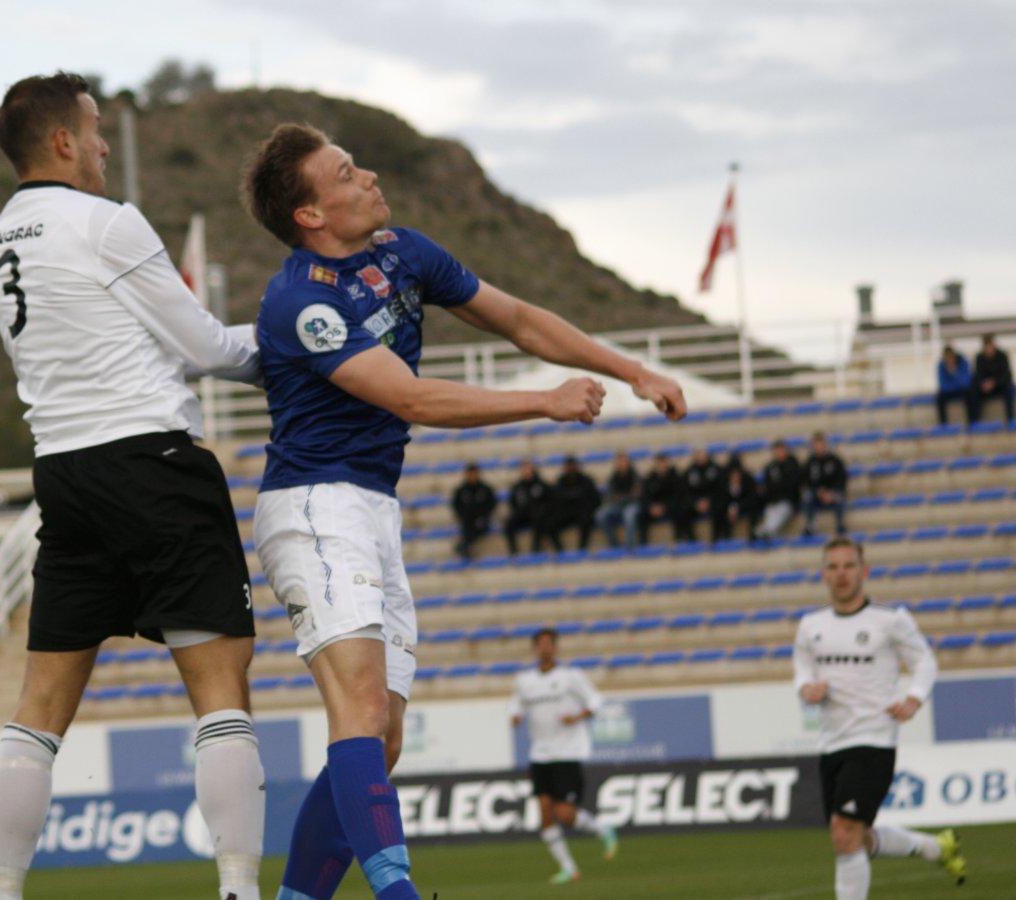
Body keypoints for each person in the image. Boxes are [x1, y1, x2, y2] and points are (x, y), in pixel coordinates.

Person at [242, 122, 685, 900]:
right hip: (314, 506)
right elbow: (411, 398)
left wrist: (631, 370)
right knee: (362, 709)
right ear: (310, 215)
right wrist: (543, 401)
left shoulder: (402, 252)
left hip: (373, 508)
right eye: (345, 174)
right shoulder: (300, 301)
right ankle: (399, 893)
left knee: (382, 739)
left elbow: (517, 319)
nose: (369, 176)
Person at [0, 72, 266, 900]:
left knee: (39, 707)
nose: (104, 145)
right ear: (63, 140)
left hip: (63, 475)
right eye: (96, 128)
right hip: (151, 462)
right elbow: (206, 348)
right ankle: (239, 889)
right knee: (220, 685)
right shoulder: (106, 222)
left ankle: (2, 893)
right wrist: (303, 352)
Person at [792, 536, 968, 899]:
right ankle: (933, 848)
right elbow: (802, 671)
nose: (841, 574)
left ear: (865, 571)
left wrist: (914, 698)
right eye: (833, 567)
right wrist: (806, 688)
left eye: (849, 566)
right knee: (855, 837)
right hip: (831, 742)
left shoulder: (890, 620)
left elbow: (925, 661)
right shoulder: (810, 625)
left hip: (874, 740)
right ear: (823, 574)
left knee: (844, 831)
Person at [508, 628, 619, 885]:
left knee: (565, 814)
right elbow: (515, 705)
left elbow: (595, 700)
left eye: (549, 644)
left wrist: (578, 716)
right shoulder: (525, 681)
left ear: (555, 648)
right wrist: (515, 716)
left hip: (567, 752)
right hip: (540, 754)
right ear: (535, 649)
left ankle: (602, 828)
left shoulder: (571, 677)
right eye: (541, 644)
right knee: (545, 814)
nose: (545, 648)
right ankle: (569, 868)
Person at [546, 455, 601, 551]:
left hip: (582, 512)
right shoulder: (560, 482)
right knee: (549, 523)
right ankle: (560, 551)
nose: (571, 468)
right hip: (566, 513)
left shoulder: (586, 481)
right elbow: (555, 501)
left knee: (586, 521)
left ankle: (582, 549)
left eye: (573, 466)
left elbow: (595, 499)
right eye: (569, 466)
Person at [802, 432, 848, 537]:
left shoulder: (835, 460)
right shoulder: (810, 462)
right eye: (816, 445)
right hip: (816, 493)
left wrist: (831, 493)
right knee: (807, 497)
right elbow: (806, 481)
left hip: (833, 492)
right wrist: (818, 491)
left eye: (820, 444)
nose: (818, 447)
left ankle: (840, 525)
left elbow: (842, 479)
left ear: (825, 445)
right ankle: (810, 525)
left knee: (840, 497)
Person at [639, 452, 691, 544]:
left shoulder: (675, 476)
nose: (661, 466)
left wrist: (664, 506)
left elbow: (678, 496)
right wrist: (651, 507)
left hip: (670, 506)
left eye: (663, 463)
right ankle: (643, 543)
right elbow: (645, 496)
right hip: (655, 508)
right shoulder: (651, 477)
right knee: (641, 514)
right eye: (659, 463)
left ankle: (679, 539)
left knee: (681, 511)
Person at [756, 439, 802, 542]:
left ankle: (767, 530)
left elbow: (793, 485)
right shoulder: (770, 467)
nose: (779, 453)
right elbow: (768, 487)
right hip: (773, 501)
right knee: (770, 511)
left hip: (788, 501)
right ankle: (767, 530)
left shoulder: (792, 464)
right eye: (776, 450)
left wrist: (778, 486)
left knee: (782, 510)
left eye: (781, 450)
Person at [504, 459, 553, 555]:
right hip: (522, 513)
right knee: (509, 523)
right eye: (524, 469)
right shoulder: (518, 486)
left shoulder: (541, 485)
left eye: (528, 469)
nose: (526, 472)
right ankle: (514, 551)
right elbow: (512, 502)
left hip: (537, 514)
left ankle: (536, 549)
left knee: (540, 521)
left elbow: (549, 500)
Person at [451, 462, 498, 561]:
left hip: (482, 519)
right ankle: (465, 546)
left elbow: (492, 504)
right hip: (467, 521)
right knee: (467, 526)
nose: (473, 476)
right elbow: (456, 505)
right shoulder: (461, 490)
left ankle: (464, 545)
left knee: (479, 525)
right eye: (471, 474)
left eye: (474, 473)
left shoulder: (485, 489)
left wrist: (484, 514)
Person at [595, 449, 641, 550]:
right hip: (618, 505)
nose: (621, 464)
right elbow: (610, 495)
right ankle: (614, 546)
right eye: (619, 462)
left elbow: (635, 495)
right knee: (601, 515)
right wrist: (621, 497)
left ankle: (630, 548)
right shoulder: (614, 477)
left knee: (629, 516)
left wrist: (621, 497)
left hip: (632, 505)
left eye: (624, 462)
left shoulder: (635, 476)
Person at [970, 333, 1016, 424]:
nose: (989, 349)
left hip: (999, 386)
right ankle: (975, 422)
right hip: (985, 387)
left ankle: (1010, 420)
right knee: (973, 391)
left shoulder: (1002, 356)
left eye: (990, 346)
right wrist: (984, 384)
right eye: (986, 347)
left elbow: (1007, 375)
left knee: (1009, 389)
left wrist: (994, 383)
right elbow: (977, 375)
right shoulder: (979, 358)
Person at [683, 447, 724, 542]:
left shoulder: (715, 469)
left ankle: (717, 538)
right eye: (699, 456)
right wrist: (696, 503)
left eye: (703, 456)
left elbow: (719, 489)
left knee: (720, 507)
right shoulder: (690, 471)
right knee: (684, 510)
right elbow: (686, 492)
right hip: (696, 503)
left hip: (712, 501)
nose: (701, 458)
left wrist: (708, 501)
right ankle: (691, 539)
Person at [933, 345, 973, 427]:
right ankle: (944, 424)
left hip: (961, 390)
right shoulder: (941, 365)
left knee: (970, 394)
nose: (949, 360)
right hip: (950, 391)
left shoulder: (962, 362)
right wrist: (956, 385)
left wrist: (955, 373)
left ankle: (972, 422)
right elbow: (943, 386)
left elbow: (966, 382)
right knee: (940, 398)